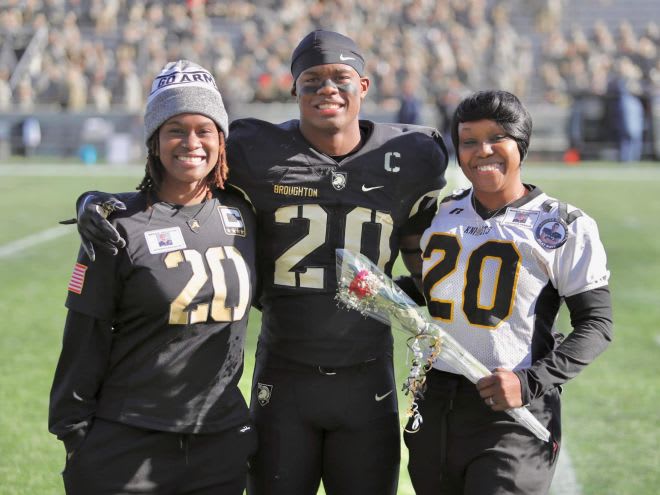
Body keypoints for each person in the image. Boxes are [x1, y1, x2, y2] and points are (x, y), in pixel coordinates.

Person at [72, 30, 449, 495]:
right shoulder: (254, 149)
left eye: (340, 78)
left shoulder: (414, 155)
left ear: (364, 87)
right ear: (293, 90)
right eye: (311, 80)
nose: (326, 89)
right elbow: (184, 175)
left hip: (368, 375)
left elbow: (423, 243)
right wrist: (102, 201)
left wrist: (426, 298)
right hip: (284, 375)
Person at [49, 60, 258, 495]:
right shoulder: (118, 224)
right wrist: (73, 434)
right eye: (175, 129)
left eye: (204, 129)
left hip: (218, 441)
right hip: (129, 438)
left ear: (221, 139)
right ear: (154, 140)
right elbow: (85, 333)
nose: (191, 142)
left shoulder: (244, 213)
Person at [404, 90, 613, 495]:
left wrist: (531, 381)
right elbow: (438, 293)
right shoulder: (442, 215)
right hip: (438, 405)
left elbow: (597, 325)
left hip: (513, 409)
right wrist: (374, 292)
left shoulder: (563, 224)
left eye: (496, 137)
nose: (482, 151)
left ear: (521, 144)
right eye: (468, 140)